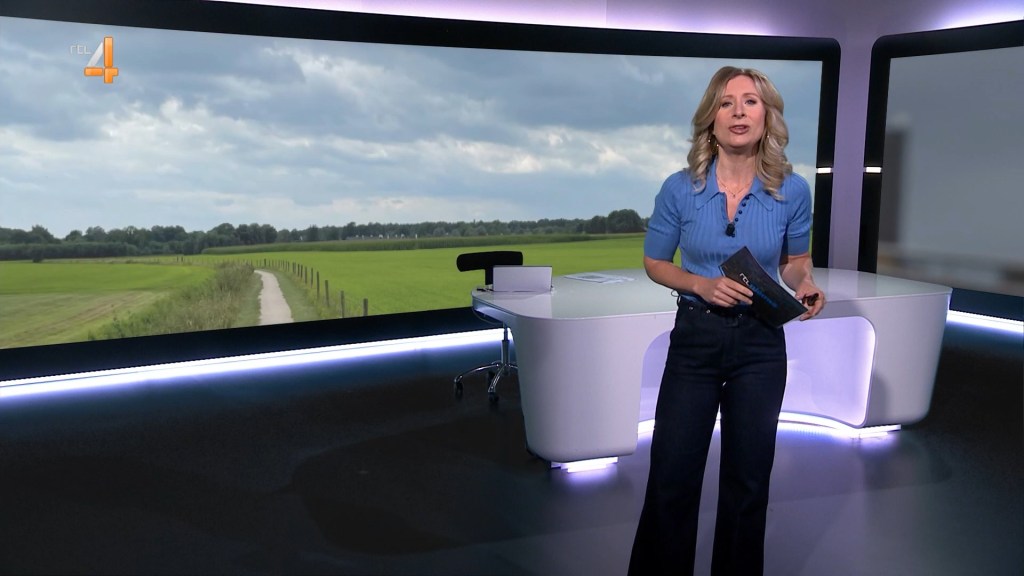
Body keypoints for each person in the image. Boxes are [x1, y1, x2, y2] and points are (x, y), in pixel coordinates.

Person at [628, 66, 825, 575]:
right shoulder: (680, 189)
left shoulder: (792, 191)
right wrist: (700, 284)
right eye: (726, 102)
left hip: (761, 343)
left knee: (748, 481)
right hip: (696, 339)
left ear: (767, 116)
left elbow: (795, 261)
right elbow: (655, 262)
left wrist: (803, 283)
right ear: (710, 118)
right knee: (672, 475)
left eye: (751, 102)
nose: (739, 112)